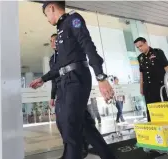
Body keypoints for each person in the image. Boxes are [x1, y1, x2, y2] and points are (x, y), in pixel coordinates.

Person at [30, 1, 116, 159]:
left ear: (51, 8)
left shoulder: (73, 19)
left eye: (46, 15)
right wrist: (43, 79)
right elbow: (59, 66)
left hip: (77, 78)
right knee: (82, 126)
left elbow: (88, 45)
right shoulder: (61, 29)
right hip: (65, 82)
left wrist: (100, 76)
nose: (47, 18)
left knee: (69, 126)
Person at [48, 33, 89, 159]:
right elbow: (54, 79)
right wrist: (52, 96)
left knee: (75, 121)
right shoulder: (52, 59)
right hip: (61, 92)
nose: (53, 43)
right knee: (61, 123)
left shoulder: (68, 54)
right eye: (51, 41)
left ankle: (81, 149)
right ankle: (69, 152)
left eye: (55, 40)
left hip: (72, 90)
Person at [135, 37, 168, 122]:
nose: (140, 48)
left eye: (141, 45)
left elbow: (167, 66)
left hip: (160, 86)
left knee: (163, 108)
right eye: (138, 47)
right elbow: (141, 73)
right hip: (148, 88)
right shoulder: (140, 58)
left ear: (146, 43)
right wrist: (141, 87)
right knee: (151, 110)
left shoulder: (158, 52)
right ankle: (155, 131)